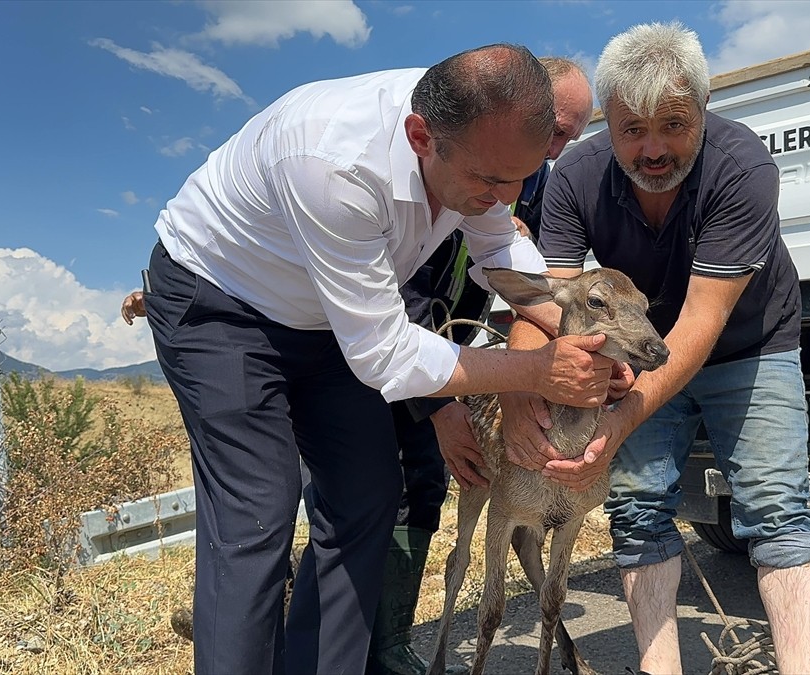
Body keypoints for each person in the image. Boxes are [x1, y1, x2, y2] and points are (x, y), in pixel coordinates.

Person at [137, 44, 617, 675]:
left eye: (520, 178)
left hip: (325, 315)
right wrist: (533, 371)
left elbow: (499, 249)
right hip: (223, 304)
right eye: (492, 182)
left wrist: (582, 333)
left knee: (365, 494)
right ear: (422, 137)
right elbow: (385, 354)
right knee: (258, 508)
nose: (509, 195)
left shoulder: (477, 143)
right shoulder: (334, 162)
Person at [499, 24, 810, 675]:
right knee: (639, 508)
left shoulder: (742, 168)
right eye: (632, 130)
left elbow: (699, 325)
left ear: (703, 114)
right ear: (610, 121)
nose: (652, 149)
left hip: (750, 344)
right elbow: (553, 305)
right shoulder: (576, 178)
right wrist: (519, 394)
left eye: (673, 125)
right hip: (642, 350)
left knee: (775, 508)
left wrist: (620, 418)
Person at [509, 57, 593, 242]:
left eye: (569, 139)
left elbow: (543, 244)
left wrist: (525, 234)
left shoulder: (540, 177)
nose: (555, 153)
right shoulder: (456, 145)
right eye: (556, 131)